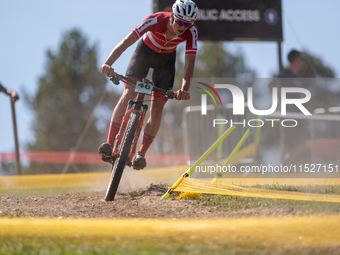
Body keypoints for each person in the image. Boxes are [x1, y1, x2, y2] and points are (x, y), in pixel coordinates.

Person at [98, 0, 199, 170]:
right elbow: (126, 42)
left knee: (158, 109)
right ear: (173, 16)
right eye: (181, 22)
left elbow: (189, 63)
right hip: (144, 54)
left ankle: (141, 154)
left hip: (165, 63)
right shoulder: (156, 20)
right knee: (128, 94)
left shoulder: (191, 32)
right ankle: (109, 143)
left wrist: (184, 89)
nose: (183, 28)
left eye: (187, 25)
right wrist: (108, 63)